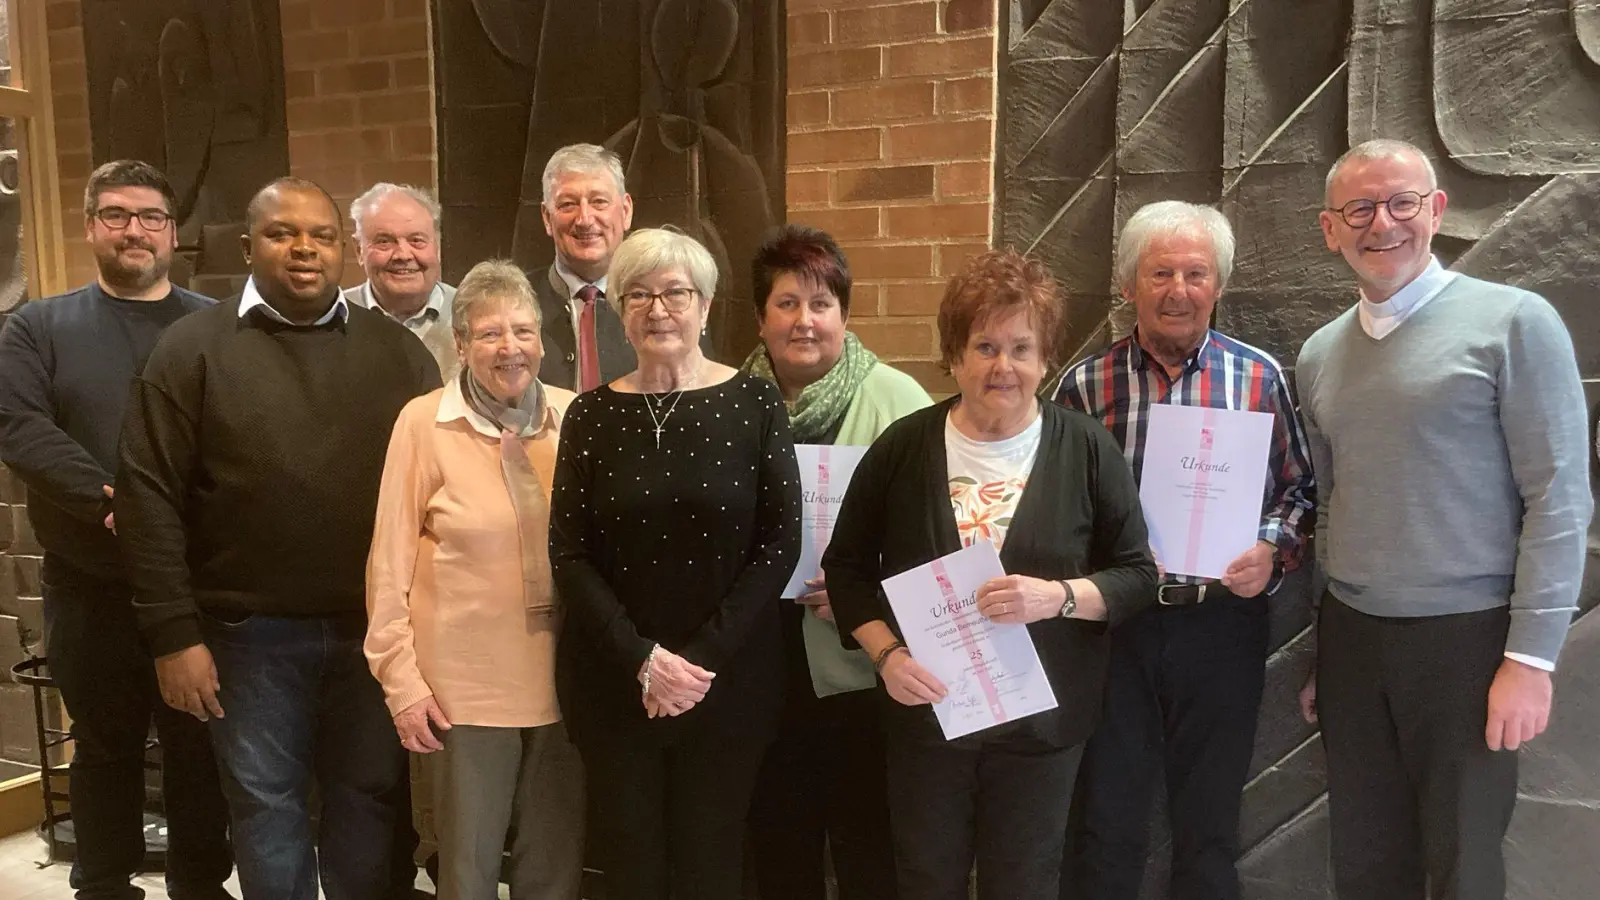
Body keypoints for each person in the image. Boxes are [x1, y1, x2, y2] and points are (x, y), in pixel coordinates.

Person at [117, 176, 443, 900]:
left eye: (322, 236)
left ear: (342, 251)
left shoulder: (400, 356)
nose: (304, 249)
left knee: (367, 802)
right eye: (282, 233)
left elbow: (434, 499)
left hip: (374, 637)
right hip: (245, 638)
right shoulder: (189, 352)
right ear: (247, 246)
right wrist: (174, 635)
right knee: (267, 812)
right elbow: (148, 499)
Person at [1296, 138, 1591, 900]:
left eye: (1402, 202)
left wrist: (1530, 660)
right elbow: (1335, 507)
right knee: (1362, 862)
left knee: (1464, 866)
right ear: (1330, 228)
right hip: (1354, 640)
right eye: (1359, 207)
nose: (1382, 223)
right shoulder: (1319, 354)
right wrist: (1326, 652)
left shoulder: (1515, 323)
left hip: (1471, 643)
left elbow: (1558, 497)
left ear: (1437, 211)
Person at [822, 249, 1159, 900]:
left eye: (1021, 347)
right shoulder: (903, 447)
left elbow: (1138, 575)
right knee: (926, 881)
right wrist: (887, 656)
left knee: (1025, 884)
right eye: (984, 345)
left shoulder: (1087, 448)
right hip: (930, 720)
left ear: (1045, 358)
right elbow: (848, 569)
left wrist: (1057, 597)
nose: (1002, 365)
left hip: (1043, 728)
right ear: (954, 354)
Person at [1054, 201, 1316, 900]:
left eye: (1196, 273)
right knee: (1106, 815)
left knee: (1209, 822)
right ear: (1127, 286)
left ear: (1218, 285)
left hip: (1222, 622)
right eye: (1160, 272)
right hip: (1117, 627)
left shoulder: (1259, 377)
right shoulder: (1083, 387)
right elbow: (1052, 508)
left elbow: (1299, 490)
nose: (1179, 289)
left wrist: (1270, 549)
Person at [0, 160, 233, 900]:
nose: (134, 230)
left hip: (198, 587)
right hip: (89, 586)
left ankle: (200, 886)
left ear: (173, 232)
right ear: (91, 226)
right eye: (116, 215)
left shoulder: (213, 326)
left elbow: (241, 435)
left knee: (201, 748)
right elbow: (18, 425)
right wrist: (112, 501)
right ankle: (103, 885)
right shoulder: (38, 326)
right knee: (103, 748)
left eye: (150, 217)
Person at [549, 228, 801, 900]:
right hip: (616, 682)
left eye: (675, 293)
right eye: (639, 294)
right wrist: (643, 659)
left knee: (711, 863)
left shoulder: (754, 401)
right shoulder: (590, 414)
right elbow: (568, 552)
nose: (658, 309)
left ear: (706, 305)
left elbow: (781, 542)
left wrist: (696, 664)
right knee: (627, 865)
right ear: (618, 309)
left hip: (729, 683)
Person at [366, 260, 584, 900]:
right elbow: (387, 564)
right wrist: (400, 682)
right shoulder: (423, 423)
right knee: (465, 869)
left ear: (543, 341)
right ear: (459, 345)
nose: (509, 348)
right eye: (489, 333)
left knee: (555, 870)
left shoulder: (576, 420)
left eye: (523, 331)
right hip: (462, 693)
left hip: (565, 684)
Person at [739, 224, 930, 900]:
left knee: (866, 847)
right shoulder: (732, 403)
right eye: (786, 303)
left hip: (860, 665)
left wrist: (861, 588)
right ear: (761, 320)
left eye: (821, 304)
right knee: (778, 846)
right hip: (761, 666)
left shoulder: (899, 402)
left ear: (845, 316)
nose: (804, 320)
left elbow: (933, 538)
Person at [533, 143, 636, 392]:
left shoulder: (662, 306)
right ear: (547, 218)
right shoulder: (516, 301)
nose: (585, 219)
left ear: (625, 211)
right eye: (568, 204)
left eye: (599, 202)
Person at [346, 182, 459, 380]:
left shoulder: (474, 314)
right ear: (359, 250)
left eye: (417, 240)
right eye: (384, 241)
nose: (403, 255)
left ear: (437, 246)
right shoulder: (334, 317)